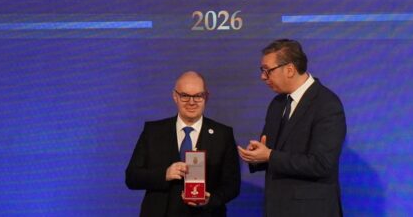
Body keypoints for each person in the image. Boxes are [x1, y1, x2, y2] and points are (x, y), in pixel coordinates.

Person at [237, 39, 346, 217]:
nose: (263, 77)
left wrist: (269, 155)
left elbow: (321, 164)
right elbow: (272, 153)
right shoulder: (277, 103)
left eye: (268, 70)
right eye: (262, 71)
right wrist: (257, 156)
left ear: (289, 69)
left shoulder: (327, 104)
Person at [126, 71, 241, 216]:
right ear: (175, 96)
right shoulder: (153, 132)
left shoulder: (223, 135)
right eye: (185, 96)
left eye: (198, 96)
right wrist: (164, 174)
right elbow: (132, 177)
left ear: (206, 97)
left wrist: (210, 200)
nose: (191, 102)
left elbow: (232, 185)